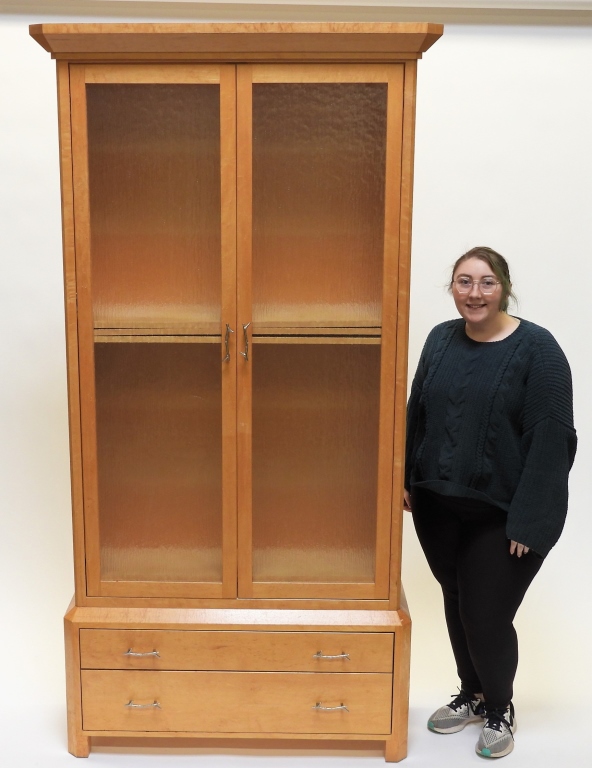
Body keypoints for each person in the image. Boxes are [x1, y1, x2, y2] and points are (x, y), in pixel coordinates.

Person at [404, 246, 576, 759]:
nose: (474, 293)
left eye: (486, 283)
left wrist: (531, 518)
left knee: (486, 613)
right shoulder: (439, 338)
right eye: (463, 282)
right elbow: (418, 411)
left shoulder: (537, 349)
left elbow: (552, 438)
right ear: (452, 288)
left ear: (504, 287)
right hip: (437, 502)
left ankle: (500, 706)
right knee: (455, 599)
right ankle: (472, 695)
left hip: (501, 513)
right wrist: (406, 476)